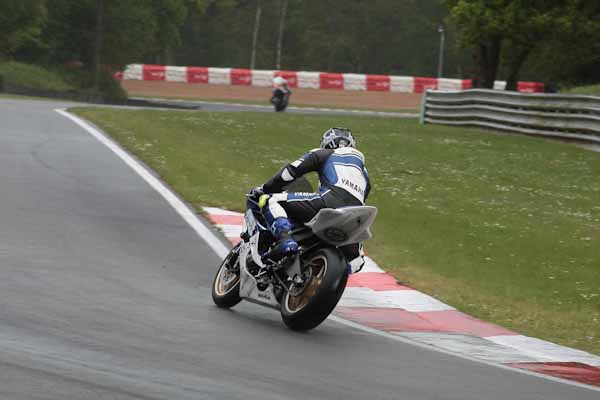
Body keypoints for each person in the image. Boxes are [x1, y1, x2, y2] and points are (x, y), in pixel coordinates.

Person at [249, 127, 370, 271]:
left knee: (270, 200)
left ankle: (285, 240)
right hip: (355, 216)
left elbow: (290, 172)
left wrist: (266, 188)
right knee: (357, 260)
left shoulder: (325, 153)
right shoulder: (364, 174)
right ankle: (336, 272)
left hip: (328, 202)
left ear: (327, 143)